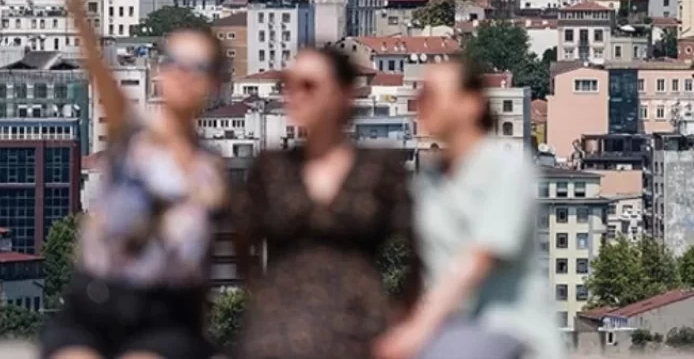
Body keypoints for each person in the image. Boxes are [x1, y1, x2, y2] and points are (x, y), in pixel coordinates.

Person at [41, 0, 227, 359]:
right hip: (96, 301)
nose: (182, 73)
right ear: (158, 71)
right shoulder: (131, 132)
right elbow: (97, 68)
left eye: (196, 66)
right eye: (173, 62)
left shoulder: (211, 168)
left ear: (213, 82)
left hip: (166, 313)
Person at [233, 46, 419, 359]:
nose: (294, 95)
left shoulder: (378, 167)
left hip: (359, 327)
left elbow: (416, 248)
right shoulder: (270, 166)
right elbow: (242, 244)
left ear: (343, 93)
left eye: (309, 85)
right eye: (288, 85)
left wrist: (401, 321)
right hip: (278, 330)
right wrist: (263, 300)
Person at [376, 60, 563, 359]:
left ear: (470, 104)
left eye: (431, 95)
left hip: (506, 327)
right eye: (419, 95)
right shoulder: (428, 181)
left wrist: (418, 330)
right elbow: (422, 269)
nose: (420, 104)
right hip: (448, 327)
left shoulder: (507, 167)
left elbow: (478, 260)